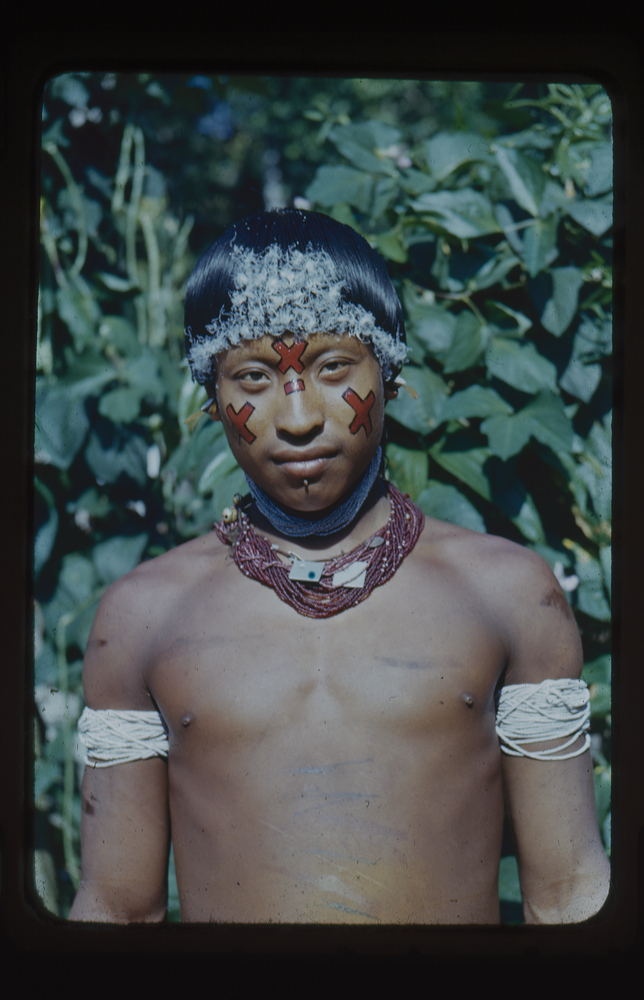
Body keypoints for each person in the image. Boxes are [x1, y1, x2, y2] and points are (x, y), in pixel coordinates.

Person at [69, 208, 610, 925]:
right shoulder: (143, 617)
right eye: (254, 376)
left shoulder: (509, 594)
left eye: (331, 367)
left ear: (388, 372)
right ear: (212, 396)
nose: (298, 417)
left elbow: (569, 891)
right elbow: (115, 907)